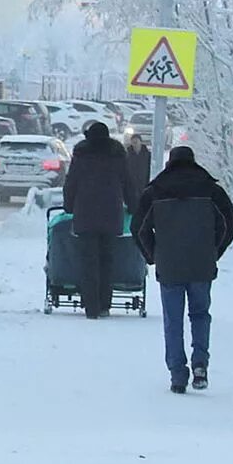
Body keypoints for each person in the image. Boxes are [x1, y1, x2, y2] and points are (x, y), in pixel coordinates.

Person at [134, 144, 233, 394]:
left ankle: (178, 374)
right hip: (201, 262)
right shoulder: (211, 190)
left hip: (169, 265)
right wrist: (214, 252)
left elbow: (139, 228)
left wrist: (153, 256)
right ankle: (200, 364)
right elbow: (228, 224)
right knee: (200, 314)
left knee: (173, 320)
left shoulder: (155, 192)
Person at [61, 119, 131, 319]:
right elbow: (127, 182)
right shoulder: (117, 155)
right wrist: (134, 205)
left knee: (88, 261)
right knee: (107, 261)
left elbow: (71, 182)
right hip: (111, 214)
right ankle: (104, 305)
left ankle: (90, 306)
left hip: (86, 214)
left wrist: (69, 206)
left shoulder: (82, 154)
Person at [123, 127, 154, 200]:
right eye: (133, 142)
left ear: (140, 142)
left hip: (143, 183)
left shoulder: (147, 154)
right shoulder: (127, 155)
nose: (135, 144)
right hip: (130, 185)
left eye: (136, 142)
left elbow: (149, 169)